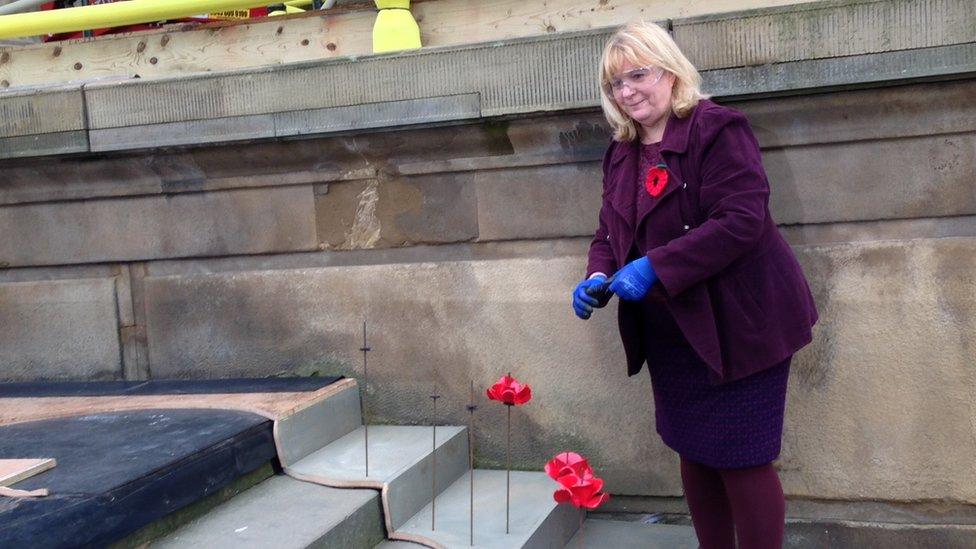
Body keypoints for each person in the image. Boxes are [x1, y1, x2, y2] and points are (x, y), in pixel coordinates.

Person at [571, 21, 818, 549]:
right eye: (615, 83)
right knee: (695, 451)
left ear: (670, 70)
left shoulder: (717, 128)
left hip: (741, 325)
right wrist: (597, 274)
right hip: (672, 330)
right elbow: (608, 231)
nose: (627, 90)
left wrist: (655, 266)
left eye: (638, 74)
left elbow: (741, 220)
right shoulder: (622, 150)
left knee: (743, 458)